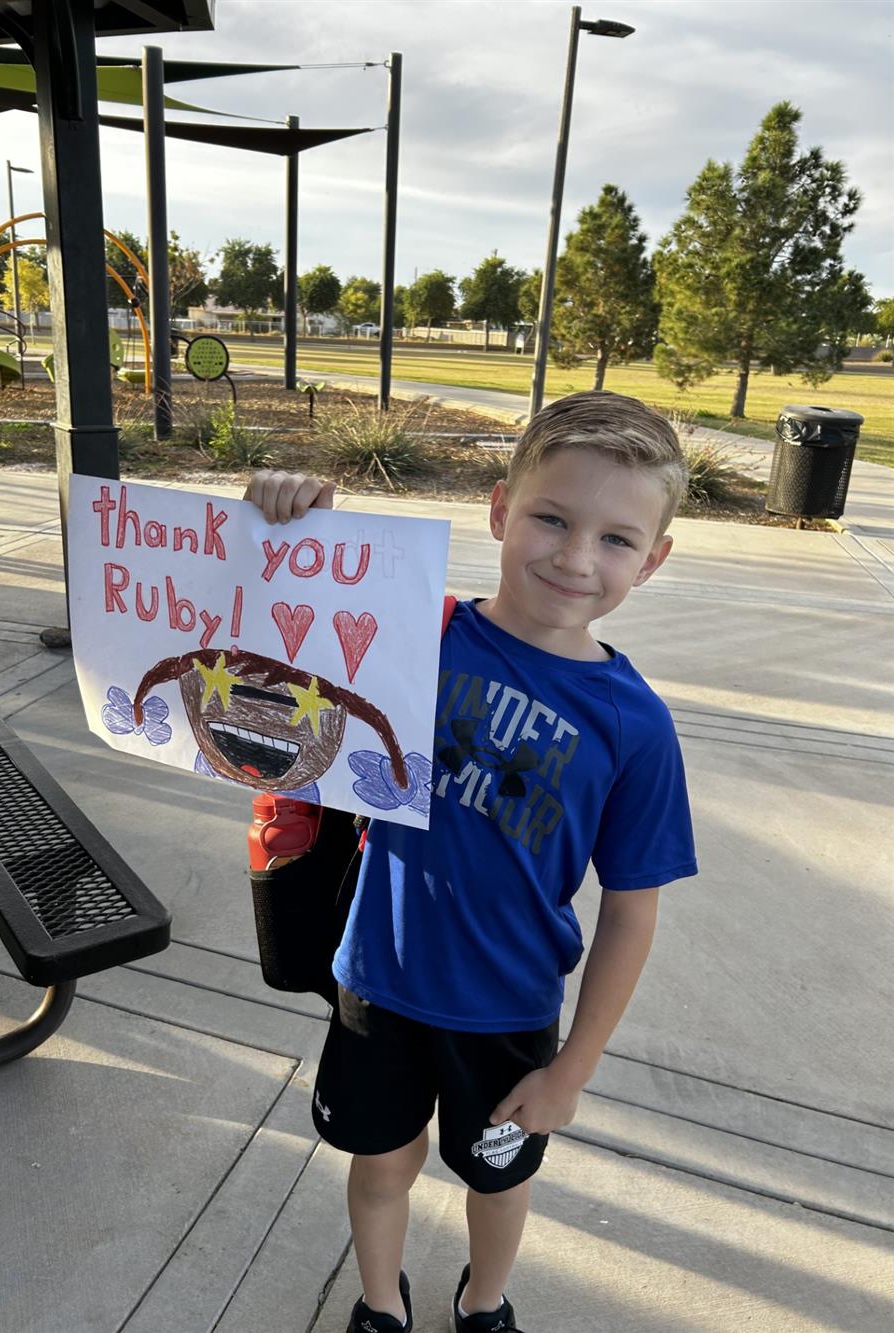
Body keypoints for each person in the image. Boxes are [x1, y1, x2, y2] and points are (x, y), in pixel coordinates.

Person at [244, 391, 698, 1333]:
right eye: (552, 518)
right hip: (379, 982)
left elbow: (631, 908)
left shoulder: (636, 727)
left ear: (652, 561)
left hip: (510, 1011)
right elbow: (286, 625)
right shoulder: (415, 633)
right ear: (500, 509)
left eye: (617, 539)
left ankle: (483, 1303)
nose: (576, 558)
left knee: (498, 1178)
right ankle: (380, 1304)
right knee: (381, 1164)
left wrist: (573, 1066)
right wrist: (291, 520)